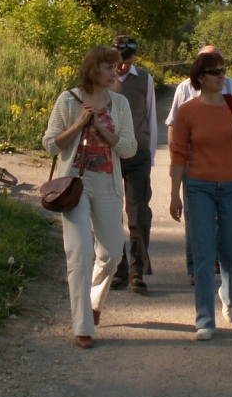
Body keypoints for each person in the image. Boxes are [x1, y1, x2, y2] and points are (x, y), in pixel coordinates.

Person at [43, 46, 138, 349]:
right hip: (75, 185)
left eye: (117, 67)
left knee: (112, 252)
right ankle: (83, 326)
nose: (116, 72)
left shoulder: (120, 104)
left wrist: (99, 127)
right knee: (80, 250)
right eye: (109, 67)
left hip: (108, 184)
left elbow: (128, 149)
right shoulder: (67, 100)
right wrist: (79, 124)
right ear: (93, 69)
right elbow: (50, 145)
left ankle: (95, 300)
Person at [169, 50, 232, 340]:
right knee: (204, 254)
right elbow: (179, 153)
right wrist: (174, 193)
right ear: (199, 78)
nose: (222, 76)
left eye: (223, 70)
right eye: (215, 72)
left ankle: (229, 294)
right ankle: (204, 319)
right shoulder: (188, 111)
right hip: (198, 187)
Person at [165, 45, 232, 284]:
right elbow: (173, 123)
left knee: (225, 218)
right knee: (194, 217)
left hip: (227, 162)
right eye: (209, 63)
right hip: (193, 160)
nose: (218, 70)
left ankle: (220, 262)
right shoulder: (184, 89)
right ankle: (196, 268)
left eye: (220, 63)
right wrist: (175, 158)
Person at [109, 35, 157, 293]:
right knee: (111, 214)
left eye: (127, 60)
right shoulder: (104, 78)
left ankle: (138, 270)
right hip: (111, 154)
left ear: (134, 57)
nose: (122, 66)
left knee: (138, 213)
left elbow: (150, 115)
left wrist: (150, 155)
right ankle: (119, 268)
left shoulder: (145, 79)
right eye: (119, 60)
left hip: (138, 155)